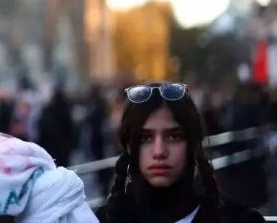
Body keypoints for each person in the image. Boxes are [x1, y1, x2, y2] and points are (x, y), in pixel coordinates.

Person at [96, 82, 264, 223]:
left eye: (174, 136)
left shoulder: (241, 220)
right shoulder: (101, 220)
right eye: (145, 138)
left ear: (192, 143)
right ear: (129, 146)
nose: (159, 152)